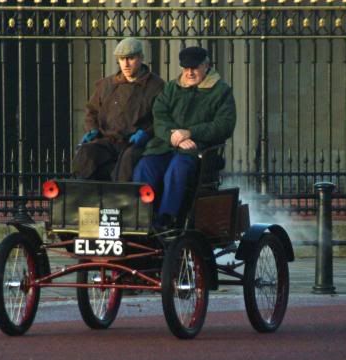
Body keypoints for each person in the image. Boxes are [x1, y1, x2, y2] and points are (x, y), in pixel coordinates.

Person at [133, 46, 237, 229]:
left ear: (206, 65)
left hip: (198, 150)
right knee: (145, 167)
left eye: (194, 68)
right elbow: (159, 116)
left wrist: (190, 133)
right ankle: (140, 215)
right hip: (165, 145)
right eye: (185, 68)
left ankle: (167, 218)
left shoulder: (221, 91)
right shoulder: (172, 87)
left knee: (177, 169)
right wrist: (175, 135)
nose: (189, 73)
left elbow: (224, 125)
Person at [72, 37, 165, 182]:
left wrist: (147, 134)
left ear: (140, 58)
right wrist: (92, 129)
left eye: (130, 58)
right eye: (122, 59)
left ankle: (120, 202)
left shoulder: (156, 86)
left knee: (127, 163)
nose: (126, 64)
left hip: (134, 143)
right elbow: (92, 110)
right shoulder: (106, 84)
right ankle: (83, 198)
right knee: (86, 153)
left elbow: (161, 119)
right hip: (107, 139)